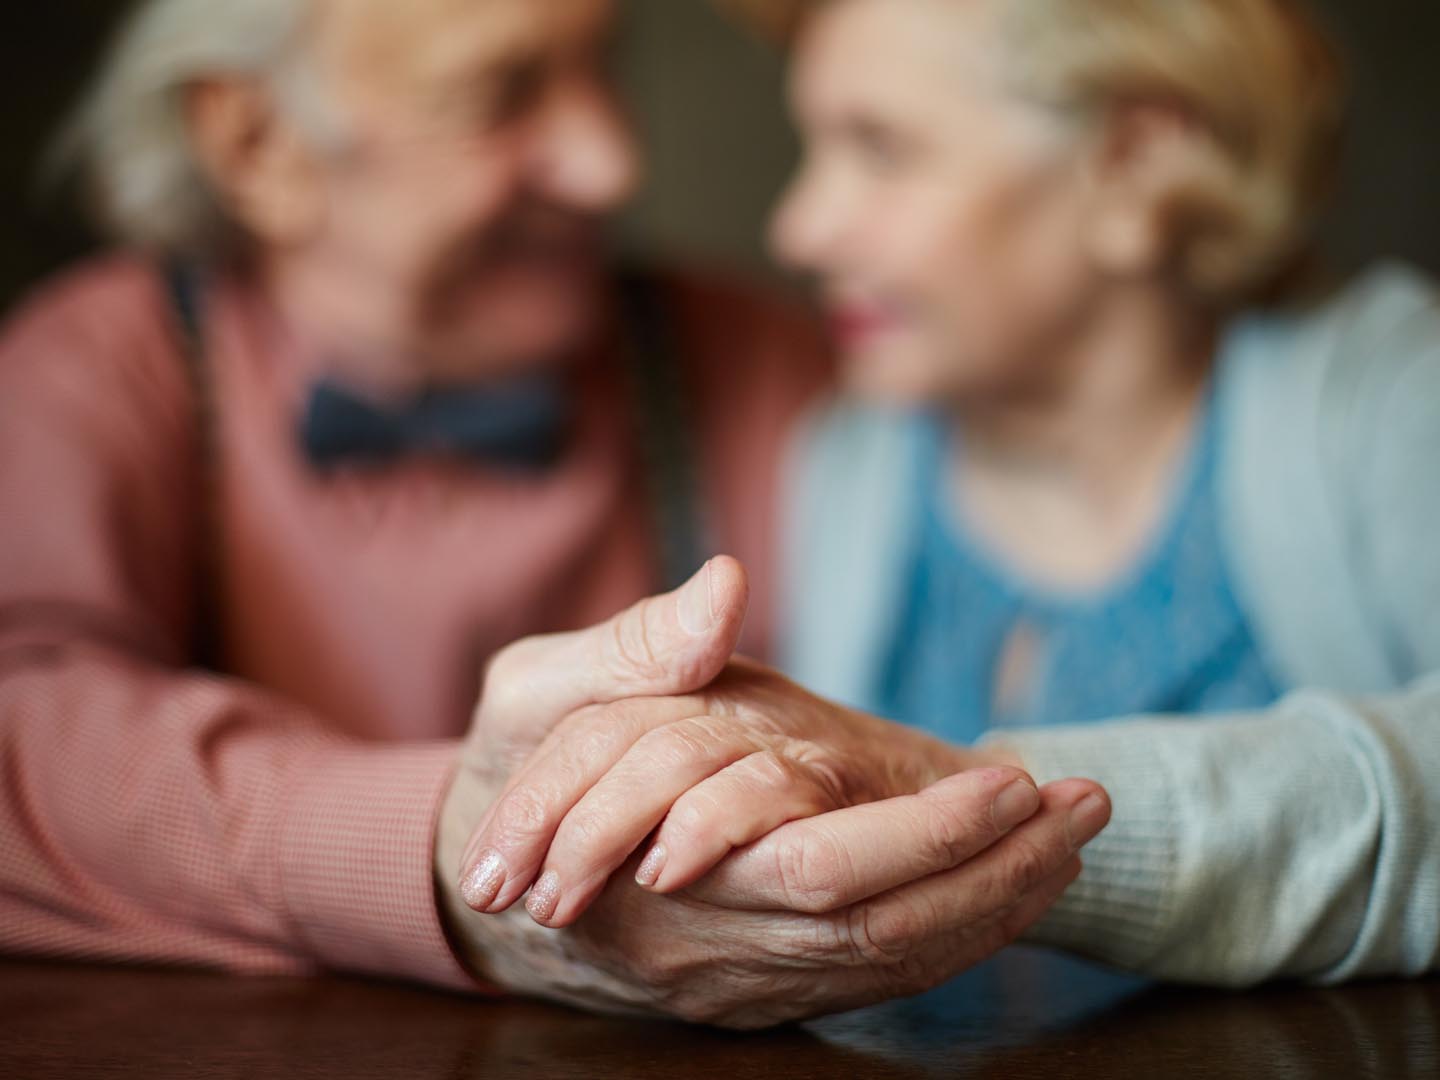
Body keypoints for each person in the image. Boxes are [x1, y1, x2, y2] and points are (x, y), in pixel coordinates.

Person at [0, 0, 1112, 1028]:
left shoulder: (771, 369)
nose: (609, 160)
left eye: (600, 69)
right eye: (505, 92)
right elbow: (31, 741)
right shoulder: (90, 374)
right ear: (256, 145)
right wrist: (430, 849)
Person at [463, 0, 1440, 990]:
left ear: (1137, 159)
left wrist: (978, 802)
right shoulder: (850, 464)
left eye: (880, 148)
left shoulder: (1391, 399)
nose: (799, 228)